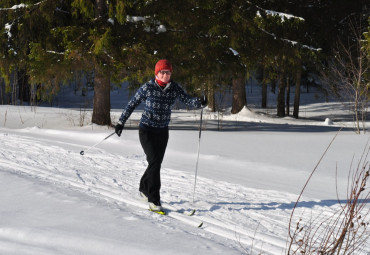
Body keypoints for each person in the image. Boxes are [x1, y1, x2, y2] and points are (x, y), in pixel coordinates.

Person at [115, 59, 207, 212]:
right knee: (155, 163)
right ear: (156, 73)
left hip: (162, 132)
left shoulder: (174, 88)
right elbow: (132, 103)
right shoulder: (148, 87)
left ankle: (143, 188)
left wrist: (200, 102)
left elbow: (187, 100)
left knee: (155, 163)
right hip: (147, 130)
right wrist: (121, 122)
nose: (165, 75)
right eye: (162, 72)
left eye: (168, 72)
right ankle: (154, 200)